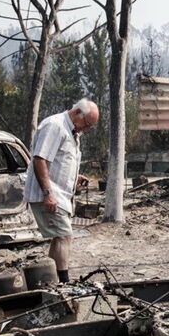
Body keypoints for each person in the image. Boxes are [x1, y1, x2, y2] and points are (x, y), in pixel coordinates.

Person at [24, 98, 99, 282]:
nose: (86, 129)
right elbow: (39, 159)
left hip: (60, 195)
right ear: (78, 113)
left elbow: (59, 162)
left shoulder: (72, 132)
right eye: (87, 124)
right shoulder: (55, 125)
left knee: (59, 237)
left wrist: (75, 178)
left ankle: (50, 281)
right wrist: (48, 193)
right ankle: (63, 283)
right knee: (65, 236)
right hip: (48, 194)